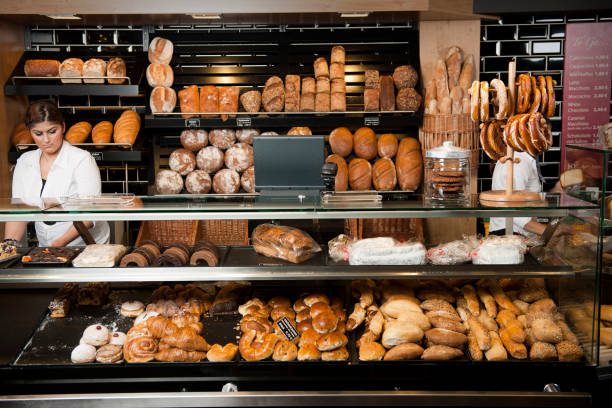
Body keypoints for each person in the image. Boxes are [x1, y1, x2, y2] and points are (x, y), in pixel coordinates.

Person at [3, 100, 109, 247]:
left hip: (86, 247)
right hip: (47, 246)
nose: (46, 140)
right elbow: (19, 211)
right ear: (30, 132)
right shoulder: (24, 162)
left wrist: (57, 245)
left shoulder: (82, 160)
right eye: (38, 134)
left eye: (52, 131)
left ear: (63, 126)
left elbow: (89, 216)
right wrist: (9, 245)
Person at [488, 151, 547, 238]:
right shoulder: (518, 161)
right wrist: (551, 232)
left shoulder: (521, 158)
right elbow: (512, 211)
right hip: (509, 234)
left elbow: (525, 197)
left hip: (515, 234)